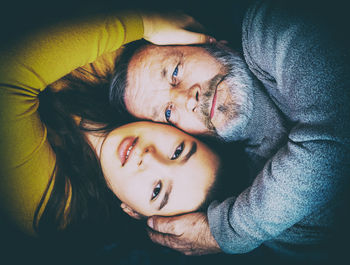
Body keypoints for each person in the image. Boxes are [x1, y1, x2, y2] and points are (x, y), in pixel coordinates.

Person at [108, 0, 350, 260]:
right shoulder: (256, 194)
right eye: (168, 113)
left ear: (207, 42)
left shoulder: (267, 27)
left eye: (176, 72)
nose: (187, 99)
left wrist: (227, 233)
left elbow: (338, 129)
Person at [0, 8, 216, 239]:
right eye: (178, 151)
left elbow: (7, 83)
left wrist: (146, 23)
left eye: (156, 191)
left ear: (132, 211)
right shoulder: (127, 80)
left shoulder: (54, 205)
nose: (149, 156)